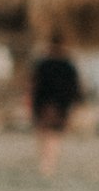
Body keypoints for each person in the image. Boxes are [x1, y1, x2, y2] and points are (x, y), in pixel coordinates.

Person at [29, 36, 81, 176]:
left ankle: (45, 163)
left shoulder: (42, 64)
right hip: (60, 104)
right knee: (55, 135)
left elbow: (33, 85)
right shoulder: (68, 65)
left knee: (44, 133)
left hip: (43, 103)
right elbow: (75, 88)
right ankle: (50, 164)